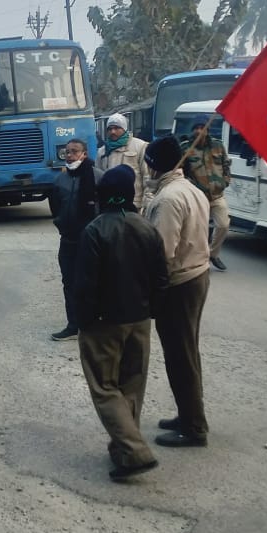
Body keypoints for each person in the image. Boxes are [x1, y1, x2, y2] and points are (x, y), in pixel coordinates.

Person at [75, 165, 170, 482]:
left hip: (103, 323)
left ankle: (135, 450)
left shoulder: (94, 230)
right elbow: (161, 279)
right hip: (139, 320)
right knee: (131, 385)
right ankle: (124, 450)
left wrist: (83, 320)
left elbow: (85, 284)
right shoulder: (146, 228)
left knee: (104, 388)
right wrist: (151, 311)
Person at [142, 136, 212, 446]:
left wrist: (152, 293)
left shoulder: (168, 199)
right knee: (186, 351)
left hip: (180, 283)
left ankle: (194, 427)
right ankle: (188, 413)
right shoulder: (190, 189)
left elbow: (163, 254)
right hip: (197, 275)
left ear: (154, 165)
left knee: (180, 356)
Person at [48, 138, 102, 342]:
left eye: (74, 151)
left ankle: (94, 323)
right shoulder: (60, 180)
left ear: (84, 154)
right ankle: (73, 325)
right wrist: (60, 222)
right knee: (69, 282)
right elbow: (55, 205)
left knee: (91, 281)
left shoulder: (97, 177)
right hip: (68, 239)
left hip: (91, 241)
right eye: (67, 152)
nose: (69, 155)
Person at [182, 115, 232, 271]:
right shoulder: (185, 148)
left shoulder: (218, 146)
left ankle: (213, 254)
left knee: (223, 225)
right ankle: (200, 261)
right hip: (198, 197)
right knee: (200, 230)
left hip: (217, 195)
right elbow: (181, 171)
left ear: (207, 129)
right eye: (196, 128)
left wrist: (225, 181)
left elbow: (226, 165)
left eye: (202, 127)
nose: (199, 131)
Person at [98, 114, 148, 212]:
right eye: (110, 129)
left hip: (135, 206)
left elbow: (147, 177)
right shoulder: (102, 152)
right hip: (111, 207)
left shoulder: (140, 147)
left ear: (124, 129)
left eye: (117, 128)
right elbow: (99, 179)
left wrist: (146, 206)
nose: (112, 131)